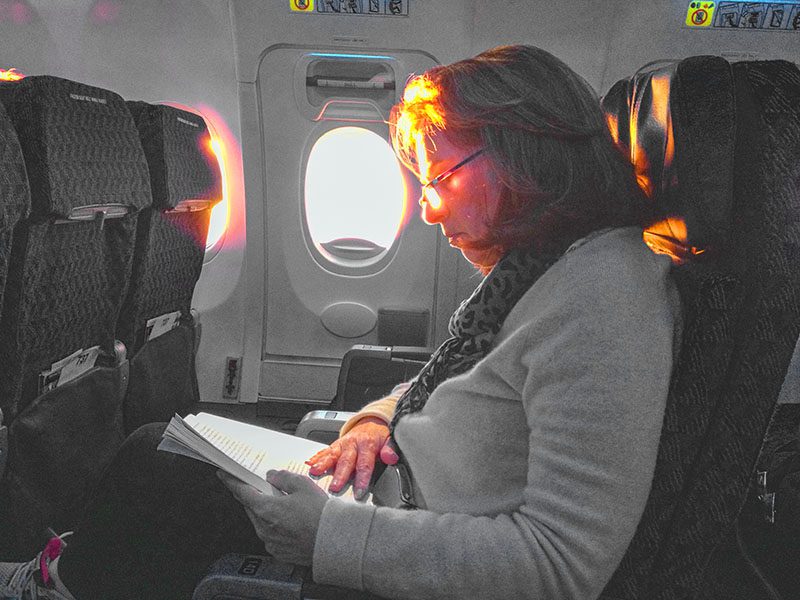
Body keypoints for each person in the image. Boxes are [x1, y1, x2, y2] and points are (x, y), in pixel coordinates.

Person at [0, 44, 680, 600]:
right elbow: (459, 390)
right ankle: (69, 573)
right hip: (386, 492)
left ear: (520, 152)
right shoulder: (543, 269)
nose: (429, 210)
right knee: (166, 447)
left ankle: (58, 581)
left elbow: (559, 567)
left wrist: (328, 537)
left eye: (440, 177)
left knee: (161, 468)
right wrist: (373, 422)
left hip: (392, 536)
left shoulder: (605, 301)